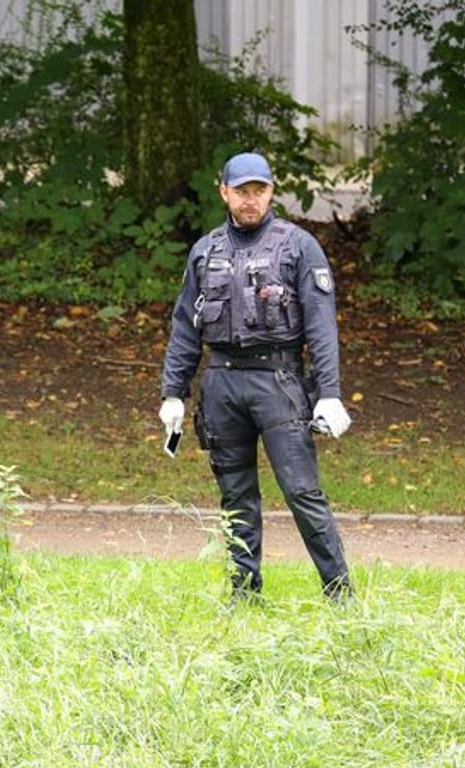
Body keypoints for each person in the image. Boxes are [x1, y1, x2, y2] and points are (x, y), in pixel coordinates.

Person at [158, 152, 353, 603]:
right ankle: (244, 594)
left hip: (278, 381)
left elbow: (321, 325)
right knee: (236, 495)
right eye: (241, 191)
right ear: (223, 191)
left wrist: (330, 394)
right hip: (221, 382)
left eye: (259, 190)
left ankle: (340, 594)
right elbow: (185, 323)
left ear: (271, 191)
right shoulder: (205, 250)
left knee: (303, 492)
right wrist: (173, 391)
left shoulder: (299, 246)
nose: (251, 200)